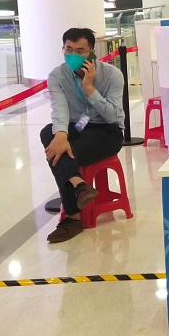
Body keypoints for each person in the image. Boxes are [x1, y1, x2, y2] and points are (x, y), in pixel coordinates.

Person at [41, 28, 124, 243]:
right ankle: (80, 185)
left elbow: (113, 116)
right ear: (62, 49)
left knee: (62, 155)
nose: (73, 56)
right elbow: (59, 108)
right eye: (68, 49)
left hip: (106, 131)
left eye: (80, 51)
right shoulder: (57, 76)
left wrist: (89, 87)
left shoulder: (112, 75)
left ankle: (73, 218)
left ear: (92, 52)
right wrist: (61, 134)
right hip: (77, 127)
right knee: (49, 133)